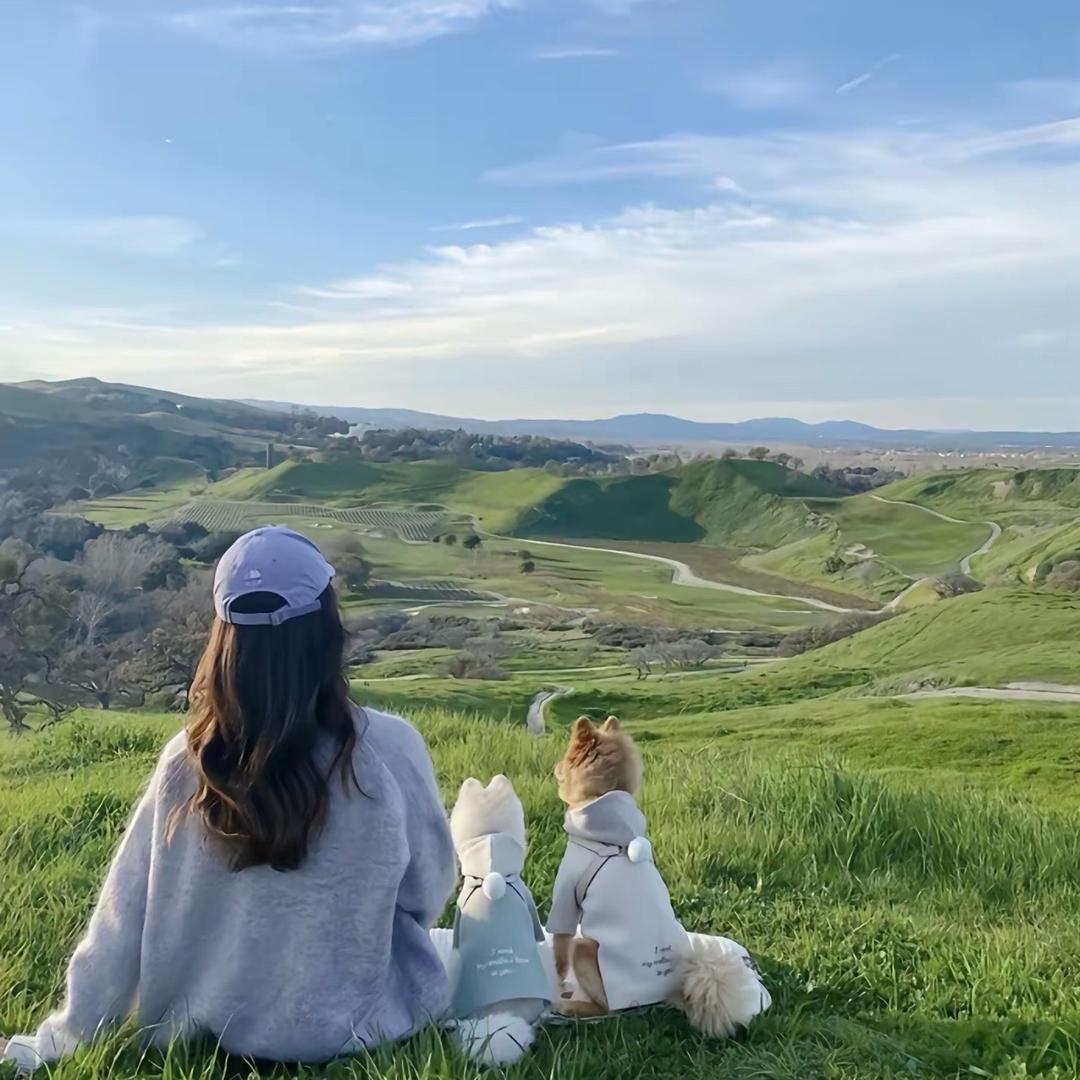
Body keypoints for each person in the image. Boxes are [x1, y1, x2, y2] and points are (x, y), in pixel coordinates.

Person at [1, 526, 456, 1071]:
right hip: (353, 1027)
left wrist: (65, 1036)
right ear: (327, 629)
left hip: (197, 1035)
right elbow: (428, 893)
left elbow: (123, 919)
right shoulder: (388, 750)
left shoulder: (187, 760)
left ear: (223, 638)